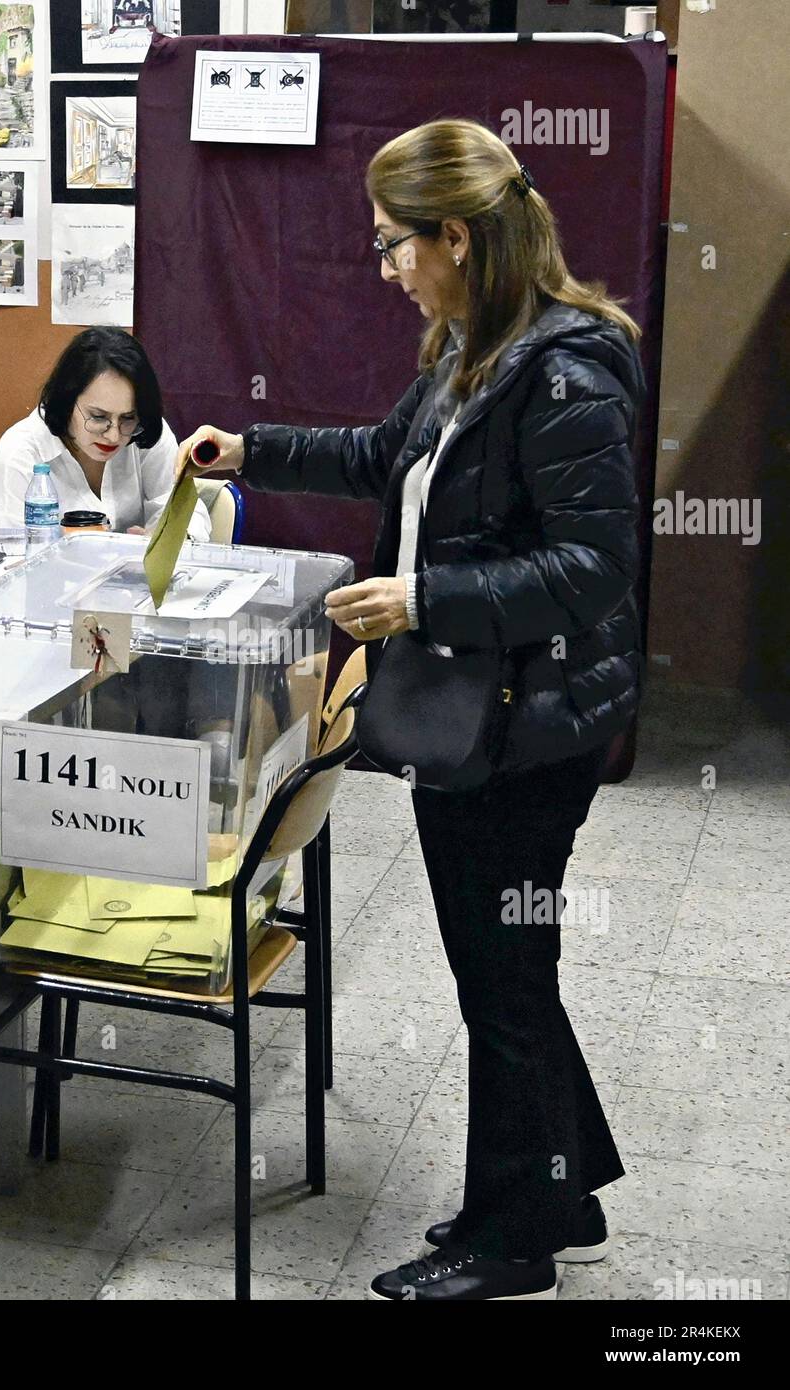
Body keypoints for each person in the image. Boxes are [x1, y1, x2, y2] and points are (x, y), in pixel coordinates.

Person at [179, 119, 644, 1301]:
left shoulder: (563, 370)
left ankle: (510, 1239)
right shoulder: (470, 350)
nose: (386, 269)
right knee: (508, 966)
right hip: (489, 715)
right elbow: (386, 454)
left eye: (395, 246)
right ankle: (559, 1181)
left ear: (456, 235)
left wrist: (429, 593)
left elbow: (595, 569)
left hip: (527, 732)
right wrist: (254, 451)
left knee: (500, 975)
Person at [0, 326, 211, 542]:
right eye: (99, 417)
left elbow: (186, 511)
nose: (113, 436)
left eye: (128, 418)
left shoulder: (145, 432)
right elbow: (11, 562)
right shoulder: (18, 456)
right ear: (67, 401)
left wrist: (169, 540)